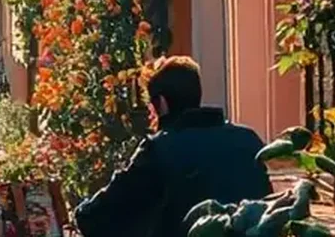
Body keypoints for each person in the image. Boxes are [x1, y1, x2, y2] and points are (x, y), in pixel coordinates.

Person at [74, 56, 273, 237]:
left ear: (161, 103)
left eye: (151, 108)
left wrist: (81, 212)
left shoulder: (159, 149)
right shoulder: (249, 140)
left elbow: (99, 214)